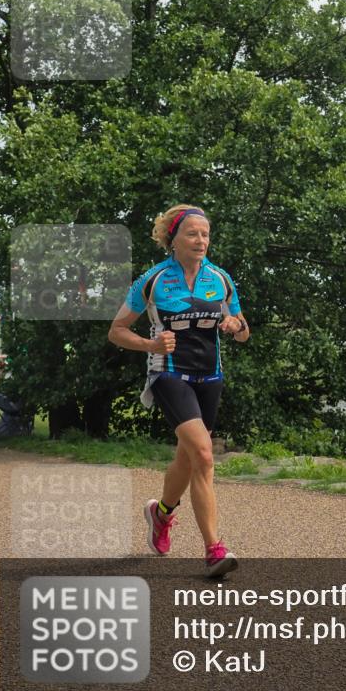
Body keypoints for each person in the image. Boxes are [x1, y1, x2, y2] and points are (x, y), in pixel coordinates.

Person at [108, 204, 249, 577]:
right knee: (203, 455)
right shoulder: (152, 281)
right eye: (192, 234)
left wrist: (234, 326)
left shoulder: (220, 279)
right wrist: (150, 345)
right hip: (169, 374)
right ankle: (214, 550)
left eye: (205, 234)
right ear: (174, 240)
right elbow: (116, 331)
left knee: (188, 459)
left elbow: (243, 330)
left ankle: (161, 513)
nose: (201, 240)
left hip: (210, 377)